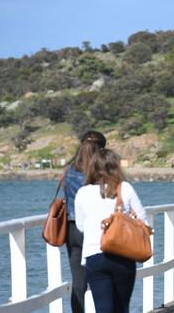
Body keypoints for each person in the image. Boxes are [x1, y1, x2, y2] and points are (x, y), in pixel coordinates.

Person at [75, 149, 147, 313]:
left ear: (92, 167)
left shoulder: (82, 193)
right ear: (116, 167)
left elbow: (80, 226)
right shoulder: (125, 188)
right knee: (122, 307)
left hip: (94, 254)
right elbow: (143, 221)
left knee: (103, 309)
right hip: (123, 254)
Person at [63, 130, 106, 313]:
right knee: (102, 279)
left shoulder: (69, 169)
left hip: (72, 230)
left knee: (78, 283)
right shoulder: (100, 172)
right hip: (94, 230)